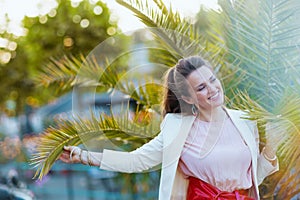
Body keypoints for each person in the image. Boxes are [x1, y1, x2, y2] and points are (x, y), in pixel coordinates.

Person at [59, 56, 279, 200]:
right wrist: (83, 156)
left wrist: (272, 147)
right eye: (201, 87)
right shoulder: (177, 129)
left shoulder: (245, 120)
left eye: (212, 80)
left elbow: (253, 180)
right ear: (186, 97)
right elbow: (136, 161)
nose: (213, 89)